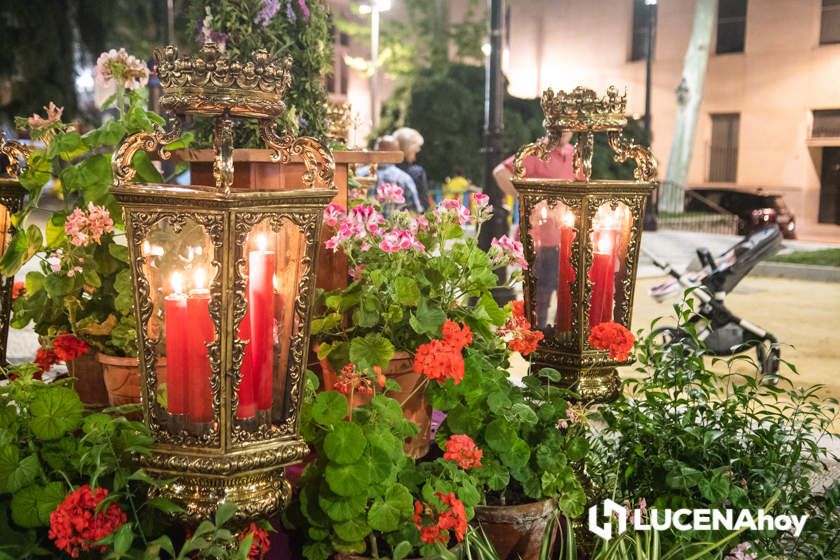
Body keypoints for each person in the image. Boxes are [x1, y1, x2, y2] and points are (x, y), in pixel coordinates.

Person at [492, 132, 577, 330]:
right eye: (560, 124)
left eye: (568, 126)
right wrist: (528, 199)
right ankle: (536, 345)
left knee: (567, 295)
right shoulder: (537, 151)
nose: (564, 130)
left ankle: (559, 341)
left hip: (565, 238)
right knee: (540, 297)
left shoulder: (574, 153)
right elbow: (500, 172)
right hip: (538, 239)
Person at [356, 135, 423, 213]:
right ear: (396, 154)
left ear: (376, 151)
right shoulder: (404, 179)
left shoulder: (359, 174)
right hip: (393, 224)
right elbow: (415, 211)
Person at [393, 127, 432, 211]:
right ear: (409, 150)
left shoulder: (385, 170)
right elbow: (424, 203)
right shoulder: (417, 172)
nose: (415, 158)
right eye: (415, 152)